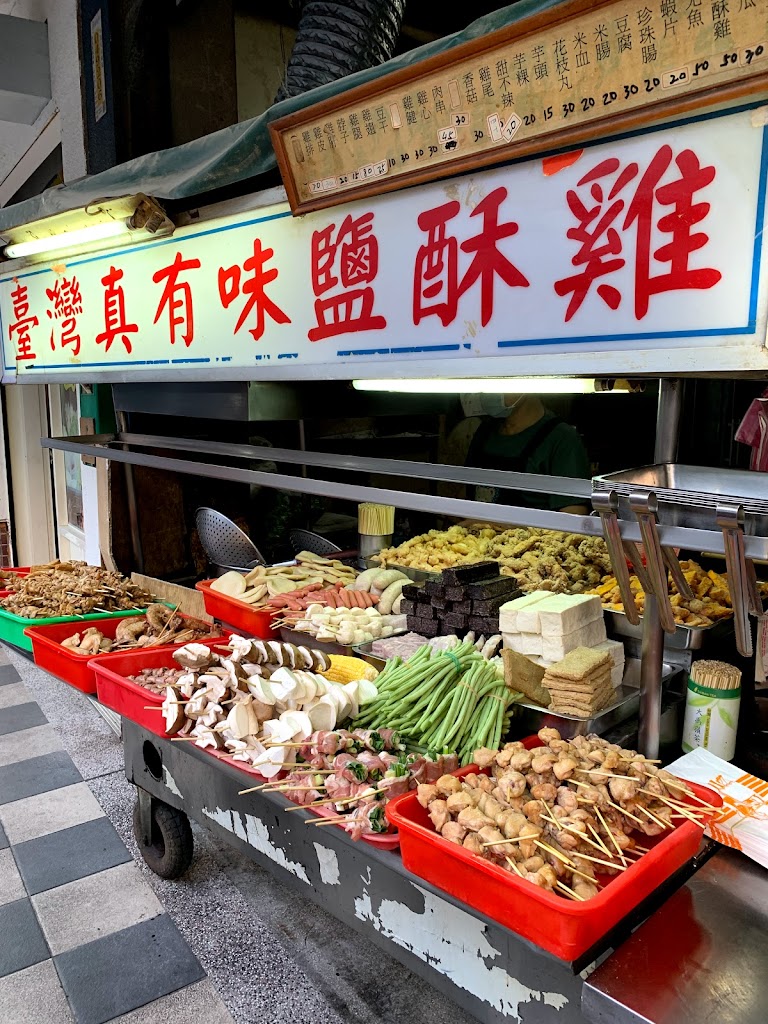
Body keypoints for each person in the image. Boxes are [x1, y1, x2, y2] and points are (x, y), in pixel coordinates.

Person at [459, 394, 591, 514]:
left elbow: (574, 516)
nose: (485, 394)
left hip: (531, 539)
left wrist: (495, 525)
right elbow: (466, 494)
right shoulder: (484, 432)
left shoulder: (561, 439)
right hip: (473, 538)